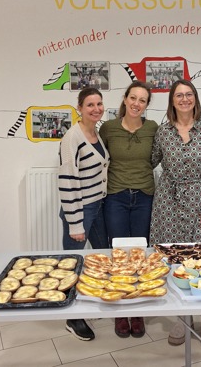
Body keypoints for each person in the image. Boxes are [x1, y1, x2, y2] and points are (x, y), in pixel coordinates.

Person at [149, 79, 201, 345]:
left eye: (188, 94)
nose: (184, 99)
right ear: (172, 101)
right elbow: (149, 161)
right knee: (173, 259)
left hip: (200, 201)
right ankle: (183, 319)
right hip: (167, 201)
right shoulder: (163, 132)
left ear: (195, 99)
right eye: (179, 95)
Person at [99, 80, 158, 338]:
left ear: (147, 105)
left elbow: (156, 157)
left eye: (142, 100)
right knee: (119, 254)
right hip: (116, 197)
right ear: (125, 99)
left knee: (140, 254)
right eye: (133, 98)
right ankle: (120, 309)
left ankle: (138, 309)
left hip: (144, 196)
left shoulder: (153, 128)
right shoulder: (108, 128)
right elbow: (100, 158)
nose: (136, 104)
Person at [58, 87, 110, 341]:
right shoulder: (72, 137)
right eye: (90, 104)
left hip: (98, 205)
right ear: (79, 108)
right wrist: (75, 223)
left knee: (100, 256)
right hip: (79, 210)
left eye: (99, 104)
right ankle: (72, 318)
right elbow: (68, 181)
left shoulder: (95, 133)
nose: (96, 109)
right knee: (73, 263)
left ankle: (89, 302)